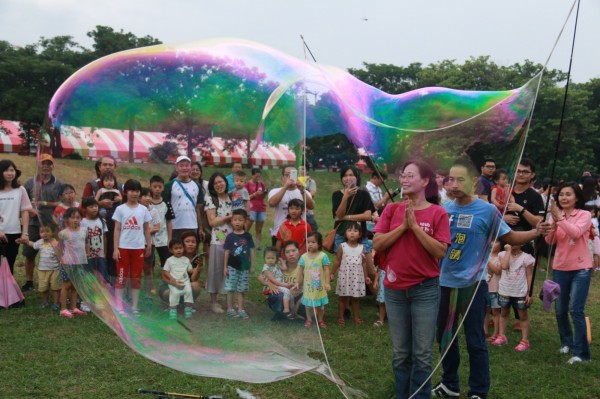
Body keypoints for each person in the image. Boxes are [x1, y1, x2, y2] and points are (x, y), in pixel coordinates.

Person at [432, 157, 548, 399]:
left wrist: (535, 232)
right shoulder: (444, 210)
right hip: (444, 285)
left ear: (474, 182)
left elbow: (510, 238)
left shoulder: (487, 210)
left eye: (460, 179)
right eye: (450, 179)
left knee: (476, 340)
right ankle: (450, 384)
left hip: (473, 286)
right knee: (444, 338)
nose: (453, 184)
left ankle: (478, 390)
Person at [372, 159, 450, 399]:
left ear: (425, 181)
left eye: (410, 175)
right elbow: (377, 243)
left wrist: (415, 228)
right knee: (401, 352)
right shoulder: (392, 210)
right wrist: (402, 227)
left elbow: (439, 252)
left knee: (422, 353)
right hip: (394, 291)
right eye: (402, 175)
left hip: (425, 290)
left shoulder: (438, 212)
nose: (404, 179)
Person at [546, 182, 593, 364]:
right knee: (560, 310)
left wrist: (559, 219)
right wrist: (550, 226)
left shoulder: (584, 215)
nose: (563, 198)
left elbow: (575, 233)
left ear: (577, 198)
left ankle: (582, 354)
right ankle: (566, 342)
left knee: (576, 309)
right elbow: (550, 240)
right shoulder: (555, 216)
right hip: (560, 266)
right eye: (561, 194)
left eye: (568, 194)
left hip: (581, 268)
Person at [112, 179, 152, 315]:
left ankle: (134, 306)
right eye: (131, 190)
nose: (134, 193)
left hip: (139, 248)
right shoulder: (120, 209)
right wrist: (115, 248)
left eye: (137, 191)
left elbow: (147, 229)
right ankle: (119, 306)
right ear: (125, 192)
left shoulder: (144, 210)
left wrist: (149, 245)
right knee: (121, 277)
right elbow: (117, 229)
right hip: (123, 247)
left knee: (136, 277)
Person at [22, 154, 61, 291]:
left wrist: (44, 203)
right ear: (38, 165)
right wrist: (31, 209)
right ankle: (29, 281)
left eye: (49, 163)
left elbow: (61, 202)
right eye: (43, 163)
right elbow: (22, 201)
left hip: (52, 225)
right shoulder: (28, 182)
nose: (46, 166)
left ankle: (55, 281)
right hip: (33, 224)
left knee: (56, 253)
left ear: (52, 166)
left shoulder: (58, 183)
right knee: (29, 253)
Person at [331, 165, 376, 280]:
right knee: (345, 272)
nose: (348, 178)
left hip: (360, 235)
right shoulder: (337, 195)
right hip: (342, 235)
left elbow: (366, 216)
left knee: (370, 271)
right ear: (342, 178)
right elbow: (338, 215)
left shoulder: (363, 194)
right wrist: (345, 197)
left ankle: (375, 293)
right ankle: (348, 296)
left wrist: (347, 217)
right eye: (345, 175)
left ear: (356, 177)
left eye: (351, 175)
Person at [81, 155, 119, 286]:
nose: (108, 167)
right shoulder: (92, 185)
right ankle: (94, 286)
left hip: (116, 227)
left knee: (113, 253)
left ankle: (113, 286)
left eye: (111, 165)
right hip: (95, 227)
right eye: (105, 164)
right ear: (99, 167)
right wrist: (100, 204)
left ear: (115, 168)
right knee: (96, 255)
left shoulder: (120, 185)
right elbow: (83, 204)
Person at [491, 243, 535, 351]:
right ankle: (502, 336)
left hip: (520, 291)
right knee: (504, 313)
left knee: (522, 316)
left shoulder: (527, 258)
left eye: (516, 241)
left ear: (522, 243)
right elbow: (504, 266)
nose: (512, 243)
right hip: (505, 290)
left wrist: (529, 293)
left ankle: (525, 341)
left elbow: (529, 275)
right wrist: (508, 252)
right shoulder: (502, 255)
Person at [330, 221, 372, 325]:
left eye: (355, 231)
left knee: (355, 299)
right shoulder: (342, 246)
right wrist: (332, 273)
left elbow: (363, 264)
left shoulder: (362, 248)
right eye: (349, 230)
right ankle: (340, 317)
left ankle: (356, 317)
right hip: (345, 276)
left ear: (360, 234)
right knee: (343, 298)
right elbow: (337, 261)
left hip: (357, 278)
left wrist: (366, 276)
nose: (352, 233)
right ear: (345, 234)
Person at [205, 172, 233, 314]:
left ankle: (229, 301)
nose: (219, 185)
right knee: (216, 270)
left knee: (231, 270)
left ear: (226, 183)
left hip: (234, 238)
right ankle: (214, 302)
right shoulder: (212, 199)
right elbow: (212, 222)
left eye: (221, 181)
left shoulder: (233, 198)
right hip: (219, 238)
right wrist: (228, 218)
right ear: (212, 186)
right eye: (215, 183)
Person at [268, 166, 314, 246]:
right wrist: (285, 187)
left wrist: (302, 191)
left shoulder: (304, 192)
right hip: (279, 232)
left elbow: (311, 206)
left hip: (299, 233)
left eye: (292, 175)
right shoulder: (275, 191)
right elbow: (272, 203)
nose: (290, 177)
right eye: (287, 175)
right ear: (283, 178)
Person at [0, 160, 32, 275]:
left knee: (9, 265)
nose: (10, 173)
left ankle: (6, 291)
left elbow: (24, 212)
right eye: (6, 170)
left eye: (12, 170)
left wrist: (25, 233)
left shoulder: (20, 190)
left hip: (14, 233)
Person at [259, 240, 305, 319]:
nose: (291, 254)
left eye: (293, 251)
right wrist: (269, 284)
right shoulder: (275, 264)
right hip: (281, 294)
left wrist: (298, 303)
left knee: (306, 302)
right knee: (278, 295)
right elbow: (260, 277)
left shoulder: (304, 266)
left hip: (298, 296)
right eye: (287, 252)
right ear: (284, 254)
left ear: (299, 251)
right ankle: (283, 312)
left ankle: (294, 312)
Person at [162, 155, 204, 241]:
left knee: (191, 252)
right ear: (176, 168)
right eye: (181, 165)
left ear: (190, 167)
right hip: (175, 226)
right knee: (176, 252)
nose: (184, 168)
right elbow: (164, 207)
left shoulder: (197, 186)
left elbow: (198, 209)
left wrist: (200, 228)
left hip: (192, 225)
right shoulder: (169, 185)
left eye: (187, 165)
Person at [294, 232, 330, 328]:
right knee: (308, 306)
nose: (310, 244)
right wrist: (297, 282)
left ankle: (320, 320)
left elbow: (326, 270)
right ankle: (309, 319)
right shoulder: (304, 257)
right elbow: (300, 270)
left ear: (319, 244)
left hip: (320, 287)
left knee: (321, 306)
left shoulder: (323, 256)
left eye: (313, 242)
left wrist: (327, 283)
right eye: (308, 242)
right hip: (308, 287)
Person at [223, 209, 255, 319]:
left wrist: (252, 265)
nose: (237, 222)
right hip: (232, 266)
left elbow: (251, 250)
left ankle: (241, 309)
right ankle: (230, 309)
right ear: (231, 221)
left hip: (244, 267)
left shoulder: (248, 236)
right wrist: (225, 267)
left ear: (245, 221)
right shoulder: (229, 237)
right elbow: (226, 252)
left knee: (242, 288)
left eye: (240, 220)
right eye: (235, 220)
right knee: (230, 288)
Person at [57, 207, 88, 318]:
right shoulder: (63, 233)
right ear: (67, 219)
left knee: (76, 285)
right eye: (73, 217)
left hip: (80, 262)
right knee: (66, 285)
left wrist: (87, 255)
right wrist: (61, 259)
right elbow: (59, 247)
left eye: (78, 217)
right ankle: (63, 309)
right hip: (68, 262)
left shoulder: (84, 231)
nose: (75, 220)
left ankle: (74, 307)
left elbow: (86, 244)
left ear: (81, 219)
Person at [158, 230, 203, 306]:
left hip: (184, 285)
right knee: (171, 292)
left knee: (196, 285)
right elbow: (163, 276)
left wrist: (198, 268)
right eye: (187, 241)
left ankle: (186, 305)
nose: (190, 244)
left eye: (193, 242)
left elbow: (193, 279)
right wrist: (174, 283)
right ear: (182, 243)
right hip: (169, 286)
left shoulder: (196, 259)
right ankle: (172, 304)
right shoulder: (172, 257)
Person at [21, 224, 60, 310]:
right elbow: (33, 244)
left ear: (53, 232)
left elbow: (61, 255)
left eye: (47, 231)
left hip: (55, 270)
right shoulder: (40, 242)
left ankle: (56, 303)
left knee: (56, 287)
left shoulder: (56, 243)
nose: (44, 234)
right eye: (42, 232)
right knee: (44, 287)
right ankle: (45, 302)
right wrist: (26, 242)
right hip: (42, 270)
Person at [162, 238, 198, 320]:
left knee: (188, 292)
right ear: (171, 250)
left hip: (185, 282)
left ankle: (188, 309)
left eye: (180, 248)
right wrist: (172, 279)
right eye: (176, 248)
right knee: (174, 293)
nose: (179, 250)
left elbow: (190, 270)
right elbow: (165, 271)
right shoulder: (169, 260)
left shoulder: (186, 260)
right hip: (174, 282)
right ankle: (173, 310)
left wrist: (197, 268)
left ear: (183, 248)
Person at [149, 176, 175, 268]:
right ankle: (150, 282)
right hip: (149, 238)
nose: (157, 189)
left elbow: (169, 222)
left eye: (160, 187)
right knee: (149, 263)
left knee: (166, 263)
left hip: (163, 238)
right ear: (150, 187)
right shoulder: (146, 203)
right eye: (155, 186)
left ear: (163, 188)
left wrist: (169, 239)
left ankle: (166, 280)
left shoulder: (166, 203)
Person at [80, 197, 109, 283]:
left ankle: (102, 295)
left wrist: (105, 253)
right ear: (85, 209)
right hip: (88, 256)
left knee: (102, 277)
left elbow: (104, 237)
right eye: (91, 207)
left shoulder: (102, 221)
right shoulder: (82, 222)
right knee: (89, 277)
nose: (94, 208)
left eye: (96, 206)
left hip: (100, 255)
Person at [261, 246, 293, 318]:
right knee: (287, 291)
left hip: (280, 284)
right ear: (264, 258)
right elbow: (273, 280)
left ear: (276, 259)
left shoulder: (276, 265)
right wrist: (285, 285)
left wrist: (281, 261)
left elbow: (285, 268)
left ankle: (290, 309)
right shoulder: (266, 269)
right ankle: (286, 310)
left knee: (290, 293)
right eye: (268, 258)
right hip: (272, 286)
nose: (270, 260)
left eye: (272, 258)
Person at [140, 188, 161, 299]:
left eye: (150, 196)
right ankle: (134, 292)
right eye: (145, 196)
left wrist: (145, 231)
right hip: (136, 244)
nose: (148, 198)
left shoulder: (153, 211)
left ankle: (148, 292)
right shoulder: (136, 210)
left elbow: (157, 227)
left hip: (149, 243)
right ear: (139, 197)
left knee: (148, 269)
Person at [484, 241, 505, 343]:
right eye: (492, 241)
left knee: (496, 312)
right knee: (485, 311)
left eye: (496, 241)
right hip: (485, 287)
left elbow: (497, 271)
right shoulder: (485, 255)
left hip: (495, 288)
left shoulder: (501, 256)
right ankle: (485, 330)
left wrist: (487, 262)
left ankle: (496, 333)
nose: (493, 244)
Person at [191, 162, 211, 261]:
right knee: (193, 245)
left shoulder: (206, 184)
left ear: (201, 172)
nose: (195, 172)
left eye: (197, 170)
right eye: (193, 169)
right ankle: (194, 269)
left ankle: (208, 271)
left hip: (207, 217)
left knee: (208, 246)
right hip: (193, 217)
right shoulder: (187, 185)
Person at [245, 167, 267, 250]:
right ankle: (244, 243)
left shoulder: (261, 184)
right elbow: (245, 197)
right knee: (247, 227)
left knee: (259, 229)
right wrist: (254, 194)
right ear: (252, 175)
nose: (258, 178)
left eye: (259, 176)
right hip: (251, 208)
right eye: (256, 176)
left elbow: (263, 195)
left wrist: (264, 193)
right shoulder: (247, 184)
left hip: (261, 207)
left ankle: (257, 246)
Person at [299, 165, 319, 232]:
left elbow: (312, 193)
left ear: (307, 171)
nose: (302, 171)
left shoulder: (310, 181)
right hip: (298, 207)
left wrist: (303, 191)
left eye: (303, 169)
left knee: (312, 226)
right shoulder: (295, 181)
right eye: (300, 169)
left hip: (308, 209)